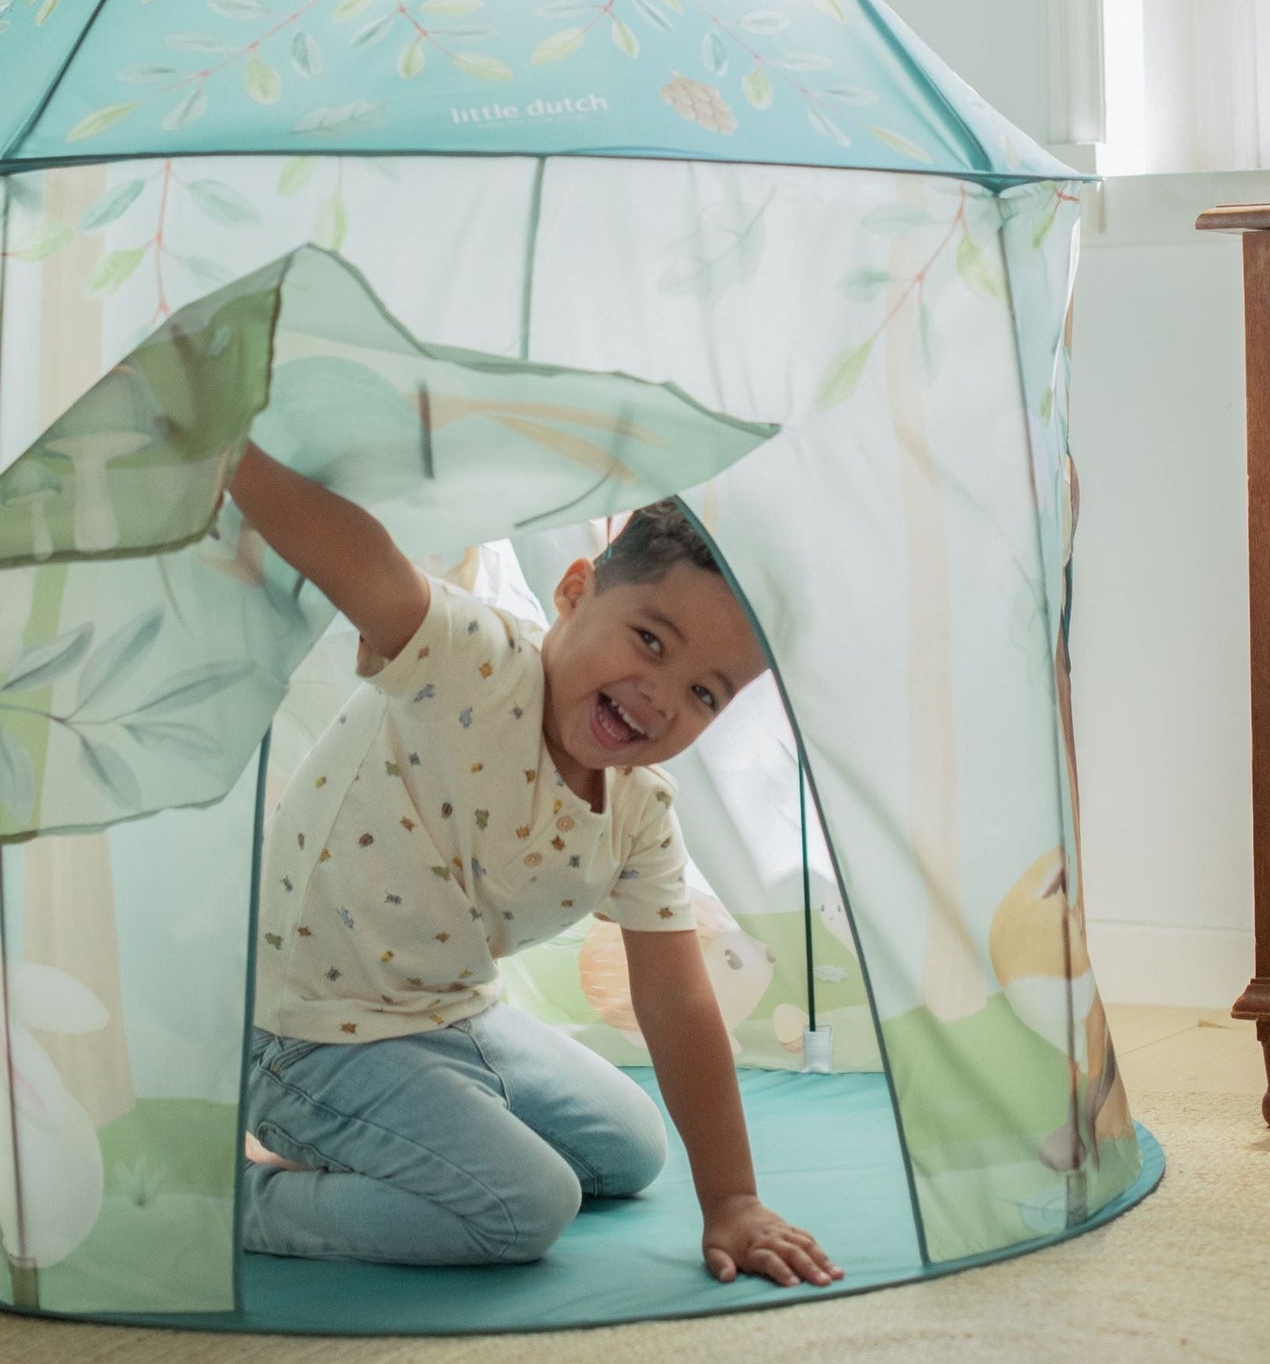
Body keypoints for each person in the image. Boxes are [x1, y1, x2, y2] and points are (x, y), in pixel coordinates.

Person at [228, 442, 840, 1288]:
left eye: (706, 692)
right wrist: (235, 462)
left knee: (632, 1147)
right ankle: (240, 1201)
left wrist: (732, 1198)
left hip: (447, 1015)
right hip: (307, 1032)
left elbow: (677, 999)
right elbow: (363, 565)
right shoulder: (472, 661)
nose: (663, 694)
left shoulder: (639, 812)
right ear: (574, 590)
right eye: (652, 640)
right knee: (527, 1206)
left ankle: (405, 1136)